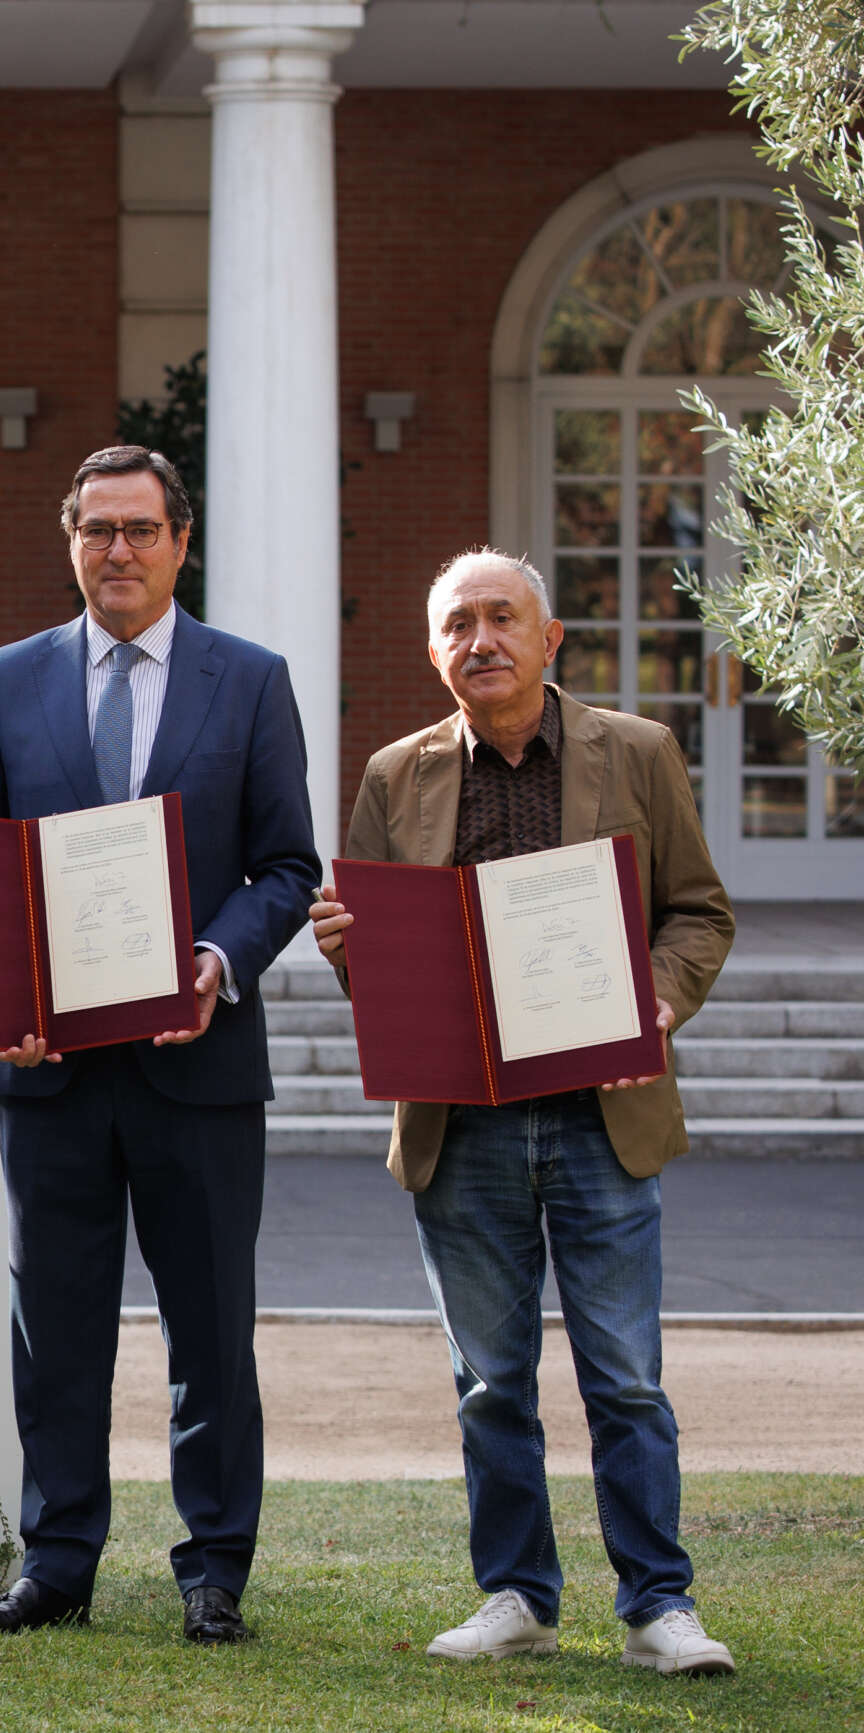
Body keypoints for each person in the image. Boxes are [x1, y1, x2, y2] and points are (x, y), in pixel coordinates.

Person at [308, 550, 737, 1675]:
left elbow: (696, 911)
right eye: (458, 622)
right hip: (463, 1124)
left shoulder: (634, 752)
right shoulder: (392, 775)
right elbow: (377, 969)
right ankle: (514, 1593)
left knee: (625, 1374)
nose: (480, 639)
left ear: (550, 641)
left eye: (503, 618)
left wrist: (653, 997)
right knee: (489, 1380)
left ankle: (657, 1603)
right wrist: (349, 950)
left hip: (602, 1115)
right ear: (432, 647)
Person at [0, 445, 318, 1645]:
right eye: (95, 529)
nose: (117, 550)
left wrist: (214, 960)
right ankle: (55, 1563)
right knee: (52, 1327)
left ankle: (213, 1568)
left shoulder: (250, 679)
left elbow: (283, 865)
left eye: (138, 530)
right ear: (68, 540)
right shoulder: (10, 678)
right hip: (47, 1064)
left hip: (195, 1056)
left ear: (179, 540)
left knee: (208, 1327)